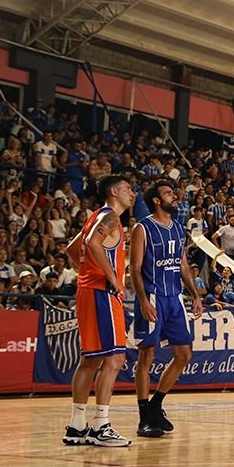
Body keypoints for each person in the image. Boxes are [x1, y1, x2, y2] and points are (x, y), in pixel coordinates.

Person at [62, 175, 136, 447]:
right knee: (115, 358)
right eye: (128, 189)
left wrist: (89, 273)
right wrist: (113, 278)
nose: (132, 193)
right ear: (114, 191)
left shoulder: (95, 216)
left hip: (88, 290)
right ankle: (101, 426)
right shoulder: (110, 218)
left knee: (90, 360)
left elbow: (72, 249)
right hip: (102, 292)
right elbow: (93, 244)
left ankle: (76, 425)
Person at [129, 180, 203, 438]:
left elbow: (182, 265)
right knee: (146, 356)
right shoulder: (143, 228)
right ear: (157, 200)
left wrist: (195, 294)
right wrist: (142, 300)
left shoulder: (178, 229)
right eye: (169, 193)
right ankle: (143, 418)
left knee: (184, 354)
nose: (176, 196)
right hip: (152, 296)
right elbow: (135, 269)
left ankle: (156, 406)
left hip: (175, 298)